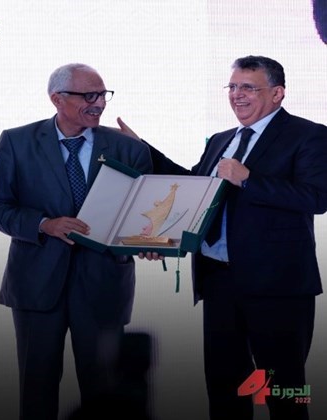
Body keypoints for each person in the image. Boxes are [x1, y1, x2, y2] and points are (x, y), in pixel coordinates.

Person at [118, 55, 327, 420]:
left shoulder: (309, 135)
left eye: (248, 87)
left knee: (284, 389)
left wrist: (249, 179)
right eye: (232, 86)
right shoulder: (221, 140)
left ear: (277, 93)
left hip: (277, 286)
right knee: (224, 387)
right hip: (218, 280)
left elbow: (317, 198)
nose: (237, 95)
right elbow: (193, 187)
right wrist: (141, 148)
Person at [0, 63, 152, 419]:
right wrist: (44, 224)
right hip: (36, 283)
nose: (98, 103)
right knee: (37, 389)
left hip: (105, 284)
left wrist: (149, 241)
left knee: (105, 392)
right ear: (56, 99)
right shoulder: (17, 141)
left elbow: (144, 215)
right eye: (88, 96)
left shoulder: (129, 148)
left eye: (102, 95)